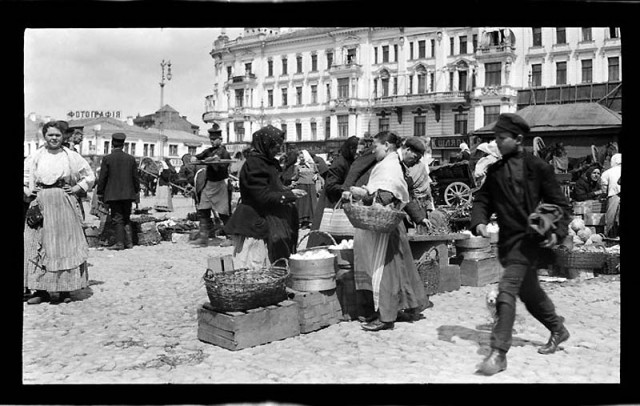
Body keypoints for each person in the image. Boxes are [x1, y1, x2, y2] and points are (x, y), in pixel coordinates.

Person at [470, 113, 572, 376]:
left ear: (517, 139)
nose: (496, 143)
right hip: (508, 242)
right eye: (495, 138)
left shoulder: (539, 167)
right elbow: (482, 200)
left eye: (501, 138)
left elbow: (560, 204)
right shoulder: (495, 171)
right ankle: (558, 329)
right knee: (530, 294)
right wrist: (479, 221)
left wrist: (556, 231)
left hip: (531, 242)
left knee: (506, 290)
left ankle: (498, 353)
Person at [342, 131, 428, 332]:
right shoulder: (392, 164)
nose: (374, 149)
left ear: (387, 145)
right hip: (391, 224)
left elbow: (386, 196)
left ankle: (385, 315)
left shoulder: (389, 165)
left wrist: (365, 196)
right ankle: (396, 309)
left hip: (384, 225)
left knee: (384, 270)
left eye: (377, 146)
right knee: (396, 267)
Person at [23, 121, 95, 304]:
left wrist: (78, 188)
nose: (54, 138)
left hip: (64, 203)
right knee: (38, 245)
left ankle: (64, 291)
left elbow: (90, 175)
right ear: (44, 136)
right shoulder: (36, 156)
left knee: (64, 245)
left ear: (63, 137)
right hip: (41, 203)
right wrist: (27, 191)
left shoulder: (71, 156)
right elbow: (24, 176)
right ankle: (41, 291)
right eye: (50, 135)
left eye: (57, 135)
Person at [223, 125, 307, 269]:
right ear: (265, 144)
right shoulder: (254, 164)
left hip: (269, 214)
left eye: (280, 146)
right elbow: (260, 195)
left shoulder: (266, 161)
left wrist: (285, 189)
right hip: (256, 220)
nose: (278, 150)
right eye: (275, 146)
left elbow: (269, 186)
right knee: (256, 266)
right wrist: (287, 196)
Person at [307, 135, 360, 248]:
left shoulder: (350, 162)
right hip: (331, 202)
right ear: (350, 149)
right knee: (328, 236)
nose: (357, 152)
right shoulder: (340, 163)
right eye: (355, 149)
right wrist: (345, 190)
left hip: (339, 201)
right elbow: (331, 185)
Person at [96, 132, 140, 251]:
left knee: (117, 218)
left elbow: (103, 177)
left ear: (112, 143)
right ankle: (129, 243)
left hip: (113, 195)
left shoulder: (107, 159)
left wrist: (100, 192)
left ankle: (120, 243)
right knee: (126, 217)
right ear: (123, 144)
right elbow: (136, 178)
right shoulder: (131, 159)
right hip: (128, 194)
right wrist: (136, 191)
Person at [192, 125, 232, 247]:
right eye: (211, 139)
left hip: (220, 184)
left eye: (214, 139)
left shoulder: (224, 153)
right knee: (203, 209)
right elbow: (198, 157)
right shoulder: (208, 151)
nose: (212, 141)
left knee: (223, 212)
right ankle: (204, 236)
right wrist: (195, 158)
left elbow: (223, 168)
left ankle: (230, 237)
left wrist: (214, 161)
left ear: (220, 139)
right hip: (209, 184)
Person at [292, 150, 319, 229]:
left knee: (311, 204)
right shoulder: (297, 166)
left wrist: (316, 176)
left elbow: (317, 173)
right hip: (301, 186)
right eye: (300, 158)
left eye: (302, 157)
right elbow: (295, 176)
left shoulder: (312, 164)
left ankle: (311, 221)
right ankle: (303, 222)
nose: (301, 159)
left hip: (311, 186)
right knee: (302, 205)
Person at [600, 153, 621, 237]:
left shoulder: (607, 172)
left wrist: (603, 195)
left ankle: (610, 237)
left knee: (611, 218)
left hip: (613, 195)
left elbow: (604, 188)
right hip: (615, 194)